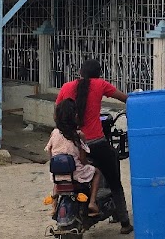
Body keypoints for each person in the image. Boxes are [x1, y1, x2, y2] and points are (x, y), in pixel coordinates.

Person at [56, 58, 132, 234]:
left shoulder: (67, 87)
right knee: (114, 181)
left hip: (73, 144)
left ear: (80, 72)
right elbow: (125, 98)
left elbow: (57, 114)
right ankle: (125, 223)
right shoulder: (100, 84)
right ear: (98, 74)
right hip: (97, 143)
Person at [45, 99, 101, 217]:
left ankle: (54, 206)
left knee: (58, 181)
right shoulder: (78, 135)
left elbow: (50, 153)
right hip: (76, 174)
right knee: (97, 173)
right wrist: (88, 163)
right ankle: (92, 202)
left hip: (58, 174)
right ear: (75, 116)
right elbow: (82, 160)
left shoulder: (54, 133)